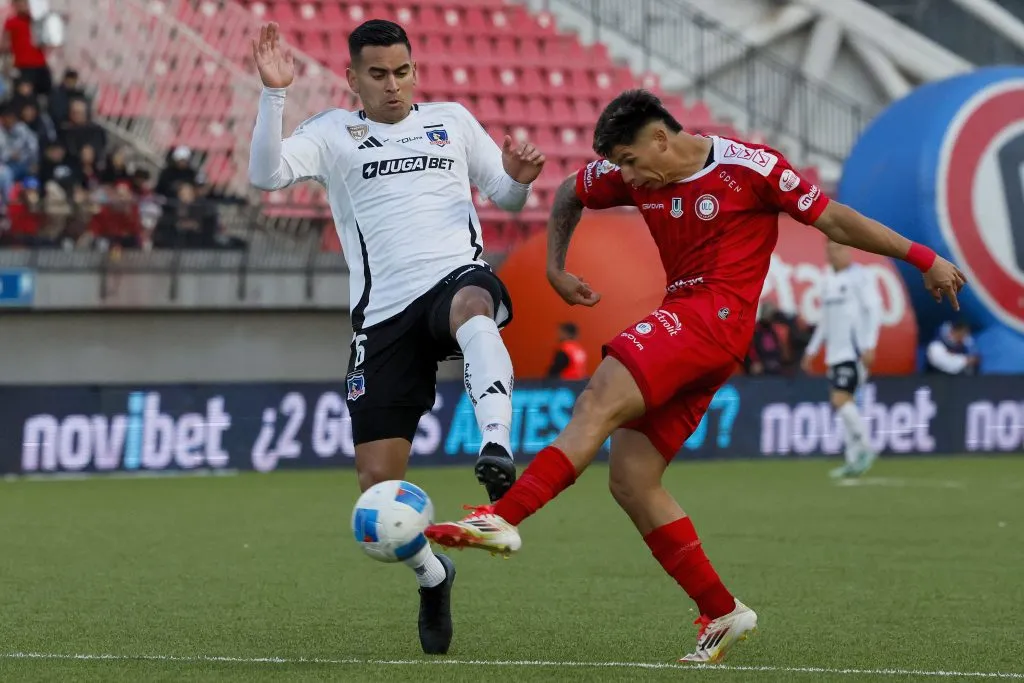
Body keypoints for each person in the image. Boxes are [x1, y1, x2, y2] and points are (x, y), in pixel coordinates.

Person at [426, 89, 965, 663]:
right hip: (698, 331)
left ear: (661, 138)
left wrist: (924, 258)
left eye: (631, 161)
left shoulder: (750, 169)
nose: (627, 177)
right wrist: (555, 268)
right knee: (632, 479)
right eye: (620, 166)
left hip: (712, 317)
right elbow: (568, 192)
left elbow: (834, 219)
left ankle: (503, 517)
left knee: (597, 400)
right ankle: (722, 610)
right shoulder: (635, 175)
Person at [247, 20, 544, 656]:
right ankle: (433, 576)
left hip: (452, 278)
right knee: (377, 491)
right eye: (378, 74)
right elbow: (265, 176)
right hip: (382, 316)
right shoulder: (333, 132)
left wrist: (518, 178)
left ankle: (497, 446)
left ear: (415, 71)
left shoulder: (451, 121)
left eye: (402, 71)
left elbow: (508, 198)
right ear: (353, 78)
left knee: (475, 307)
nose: (393, 85)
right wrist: (274, 95)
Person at [800, 239, 882, 478]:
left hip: (854, 352)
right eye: (830, 250)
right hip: (834, 354)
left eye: (837, 249)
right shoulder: (827, 281)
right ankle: (853, 460)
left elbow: (874, 309)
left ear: (848, 250)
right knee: (846, 404)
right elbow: (825, 321)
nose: (833, 254)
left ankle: (866, 448)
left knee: (840, 399)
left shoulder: (860, 276)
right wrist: (812, 349)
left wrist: (870, 344)